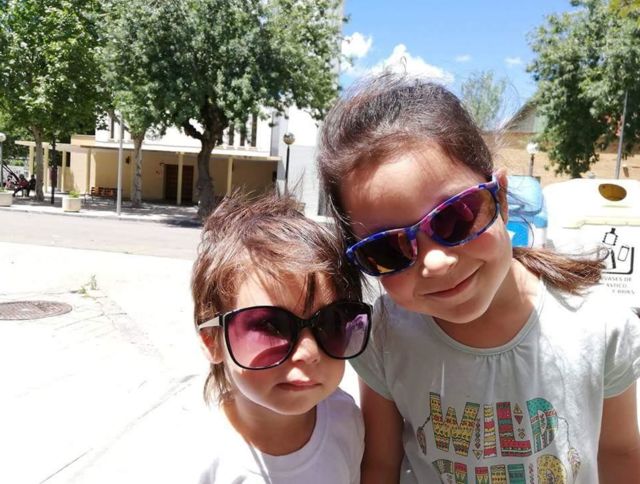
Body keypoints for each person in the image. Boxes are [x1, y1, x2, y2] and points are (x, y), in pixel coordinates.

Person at [317, 73, 640, 483]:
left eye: (456, 217)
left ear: (499, 197)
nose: (435, 263)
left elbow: (620, 452)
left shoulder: (598, 323)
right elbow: (382, 464)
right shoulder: (387, 335)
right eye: (387, 249)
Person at [192, 192, 369, 484]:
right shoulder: (192, 455)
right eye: (270, 326)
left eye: (332, 323)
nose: (309, 352)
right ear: (212, 340)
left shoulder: (346, 419)